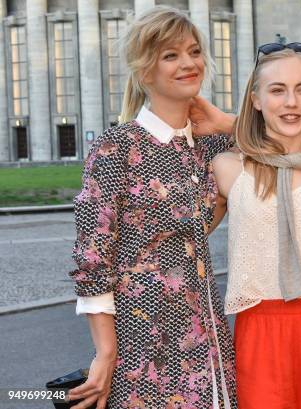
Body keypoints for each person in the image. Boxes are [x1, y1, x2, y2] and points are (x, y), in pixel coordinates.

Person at [68, 7, 236, 409]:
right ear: (145, 71)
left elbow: (283, 143)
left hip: (209, 336)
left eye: (194, 52)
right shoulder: (117, 146)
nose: (189, 63)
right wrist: (105, 352)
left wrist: (227, 124)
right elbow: (93, 258)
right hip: (143, 340)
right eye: (170, 55)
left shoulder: (214, 146)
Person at [211, 44, 301, 409]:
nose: (291, 101)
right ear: (256, 99)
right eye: (277, 90)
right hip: (258, 325)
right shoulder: (228, 168)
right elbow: (185, 236)